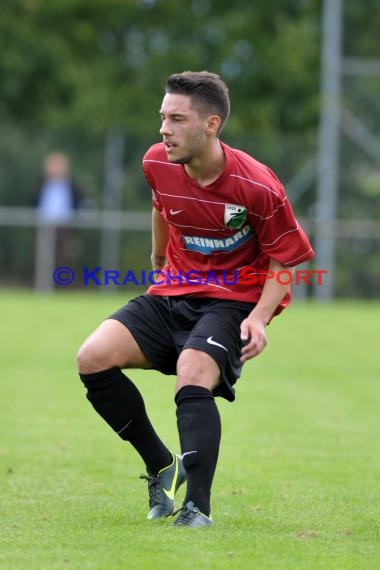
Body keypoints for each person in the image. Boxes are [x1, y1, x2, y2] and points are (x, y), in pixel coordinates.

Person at [77, 71, 314, 528]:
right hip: (173, 291)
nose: (164, 129)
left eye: (177, 119)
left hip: (232, 300)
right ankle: (161, 465)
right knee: (92, 357)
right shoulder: (157, 162)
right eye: (163, 117)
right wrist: (159, 262)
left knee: (193, 370)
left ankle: (196, 509)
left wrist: (261, 318)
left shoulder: (258, 185)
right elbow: (160, 207)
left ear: (211, 125)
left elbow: (286, 259)